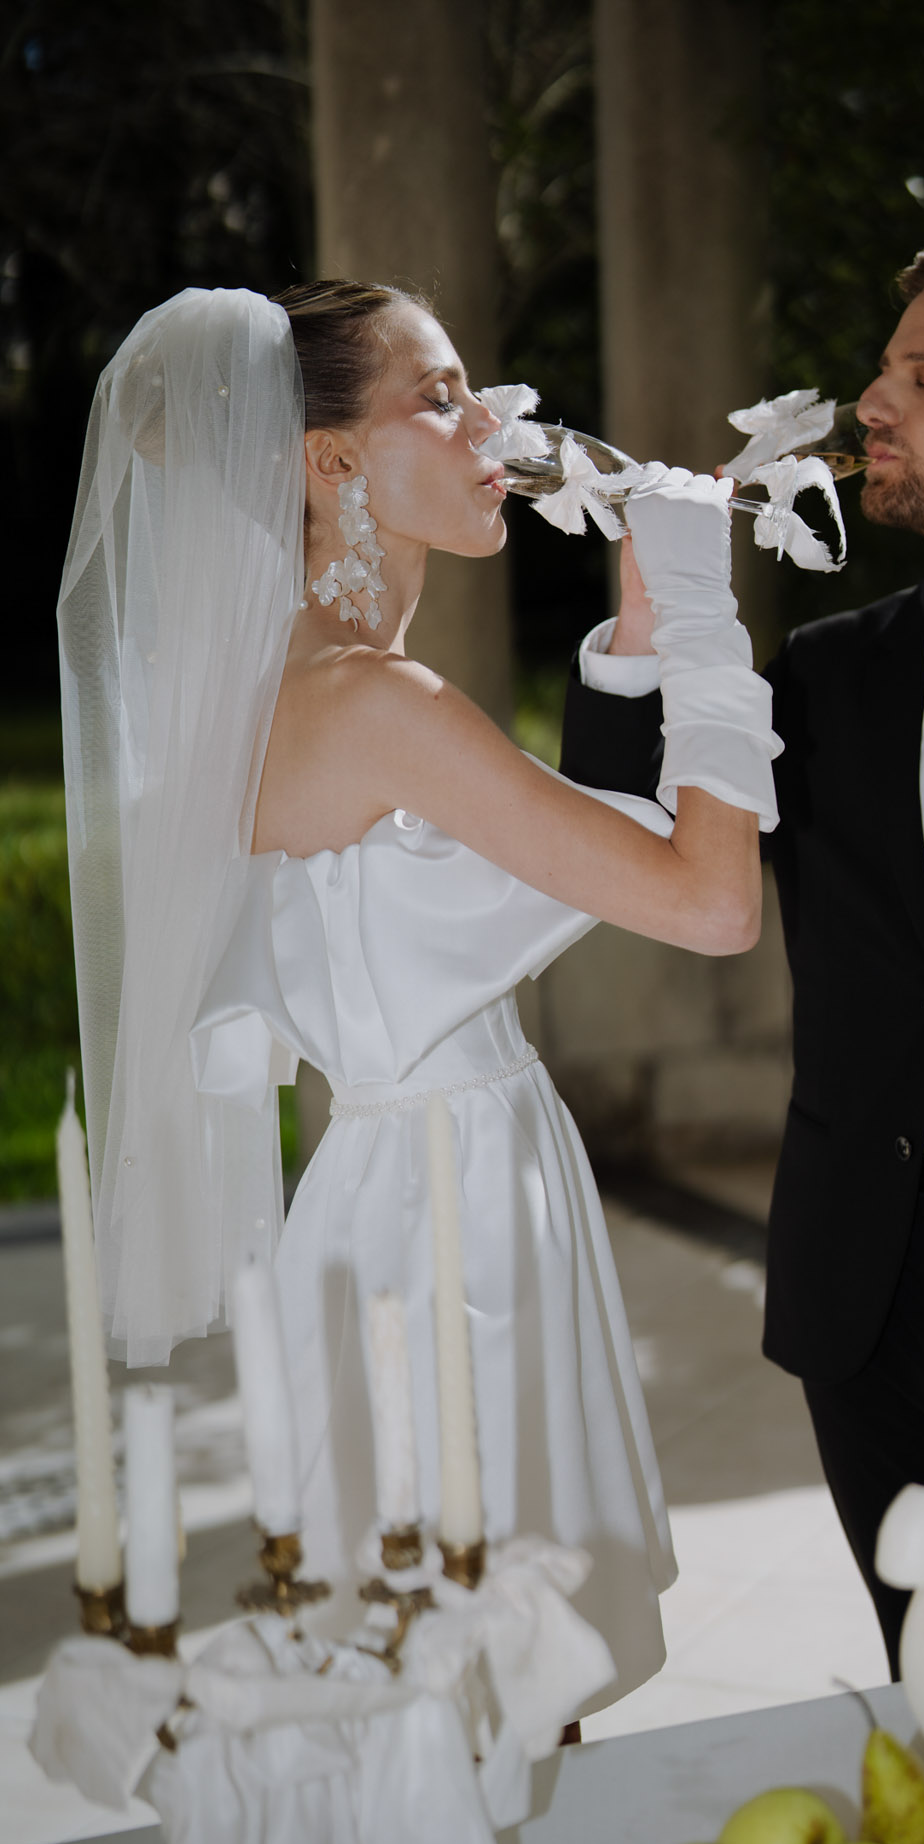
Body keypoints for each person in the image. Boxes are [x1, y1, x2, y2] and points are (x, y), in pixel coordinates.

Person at [58, 280, 779, 1711]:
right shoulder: (375, 706)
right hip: (445, 1232)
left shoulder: (325, 685)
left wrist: (631, 640)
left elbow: (559, 867)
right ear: (329, 461)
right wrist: (703, 615)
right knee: (467, 1669)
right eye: (439, 394)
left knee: (480, 1670)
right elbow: (708, 902)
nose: (492, 421)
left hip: (439, 1176)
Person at [558, 233, 924, 1668]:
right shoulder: (824, 674)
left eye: (921, 377)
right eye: (882, 373)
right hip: (860, 1289)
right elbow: (621, 849)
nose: (865, 408)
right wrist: (646, 619)